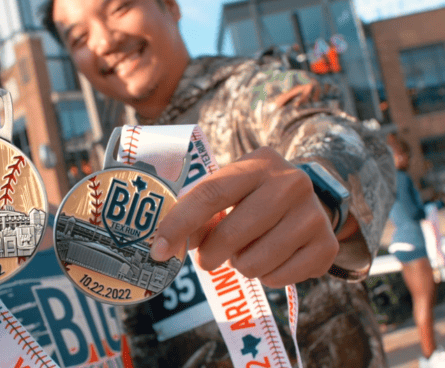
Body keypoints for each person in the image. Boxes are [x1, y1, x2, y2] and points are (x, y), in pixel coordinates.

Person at [42, 0, 395, 367]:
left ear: (171, 7)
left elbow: (339, 135)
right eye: (79, 37)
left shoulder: (253, 88)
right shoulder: (113, 168)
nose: (103, 41)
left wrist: (321, 189)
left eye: (119, 7)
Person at [387, 134, 445, 368]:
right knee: (425, 298)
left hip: (400, 241)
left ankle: (429, 352)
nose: (406, 159)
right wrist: (431, 206)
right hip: (413, 241)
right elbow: (414, 212)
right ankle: (430, 355)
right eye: (403, 154)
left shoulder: (388, 180)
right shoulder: (401, 178)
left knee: (419, 300)